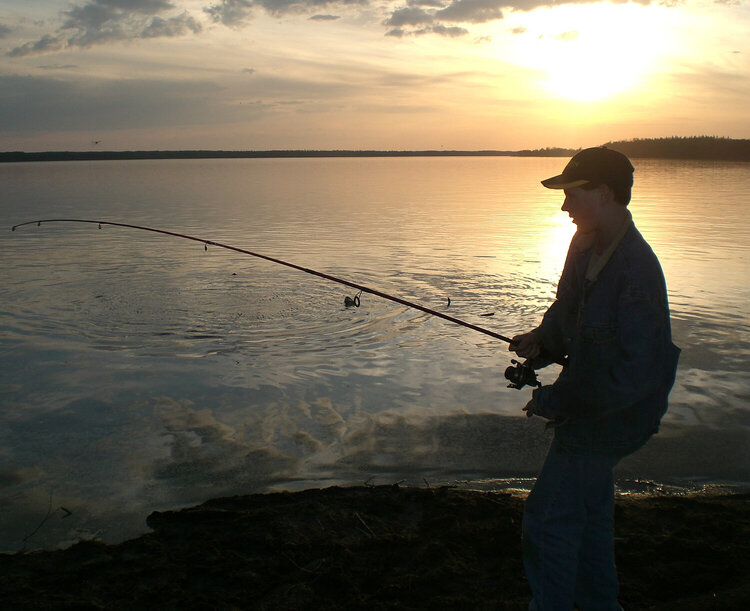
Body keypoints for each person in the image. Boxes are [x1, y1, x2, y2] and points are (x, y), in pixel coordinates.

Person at [509, 147, 680, 610]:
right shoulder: (585, 242)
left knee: (546, 523)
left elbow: (632, 376)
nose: (564, 206)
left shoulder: (637, 271)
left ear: (604, 193)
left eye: (572, 194)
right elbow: (566, 315)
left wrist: (555, 401)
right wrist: (540, 342)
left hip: (617, 415)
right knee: (587, 517)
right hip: (592, 404)